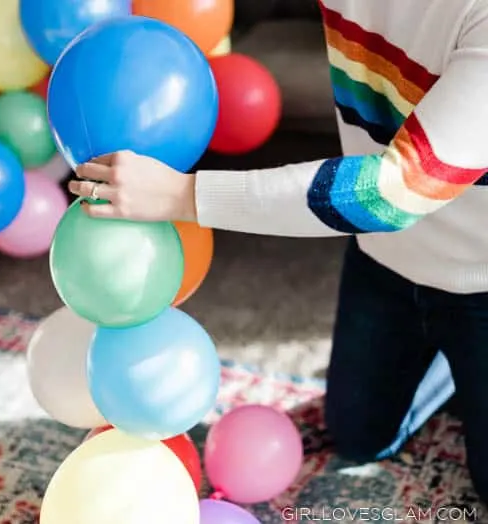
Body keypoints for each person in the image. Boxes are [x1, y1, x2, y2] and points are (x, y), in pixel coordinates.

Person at [69, 0, 488, 504]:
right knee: (359, 435)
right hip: (386, 258)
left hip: (479, 275)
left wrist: (182, 196)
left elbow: (388, 193)